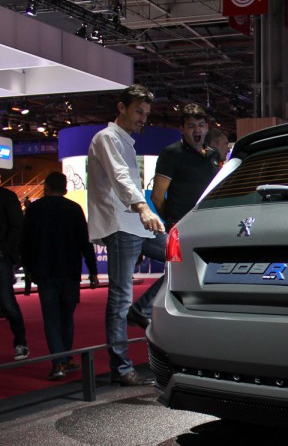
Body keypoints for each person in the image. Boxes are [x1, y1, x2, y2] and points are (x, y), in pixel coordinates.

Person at [86, 84, 166, 387]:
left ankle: (141, 309)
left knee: (179, 259)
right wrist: (144, 209)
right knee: (119, 298)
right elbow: (120, 178)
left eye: (146, 113)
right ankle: (121, 368)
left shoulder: (125, 141)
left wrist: (146, 214)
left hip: (138, 223)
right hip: (121, 225)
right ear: (121, 108)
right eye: (138, 111)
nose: (142, 118)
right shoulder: (107, 138)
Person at [20, 172, 100, 380]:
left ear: (46, 187)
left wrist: (29, 269)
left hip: (45, 272)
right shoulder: (74, 209)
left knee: (51, 319)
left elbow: (25, 242)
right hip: (69, 272)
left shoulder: (34, 209)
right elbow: (85, 242)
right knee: (66, 317)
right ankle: (65, 357)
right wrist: (92, 271)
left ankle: (58, 363)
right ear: (65, 188)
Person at [150, 103, 220, 229]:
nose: (197, 130)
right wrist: (173, 222)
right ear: (182, 129)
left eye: (201, 125)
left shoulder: (213, 154)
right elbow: (156, 197)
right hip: (183, 228)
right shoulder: (171, 153)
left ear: (207, 127)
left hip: (211, 224)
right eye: (191, 126)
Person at [0, 184, 28, 361]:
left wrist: (4, 250)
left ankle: (21, 342)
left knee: (7, 301)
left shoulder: (7, 197)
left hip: (2, 257)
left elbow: (17, 226)